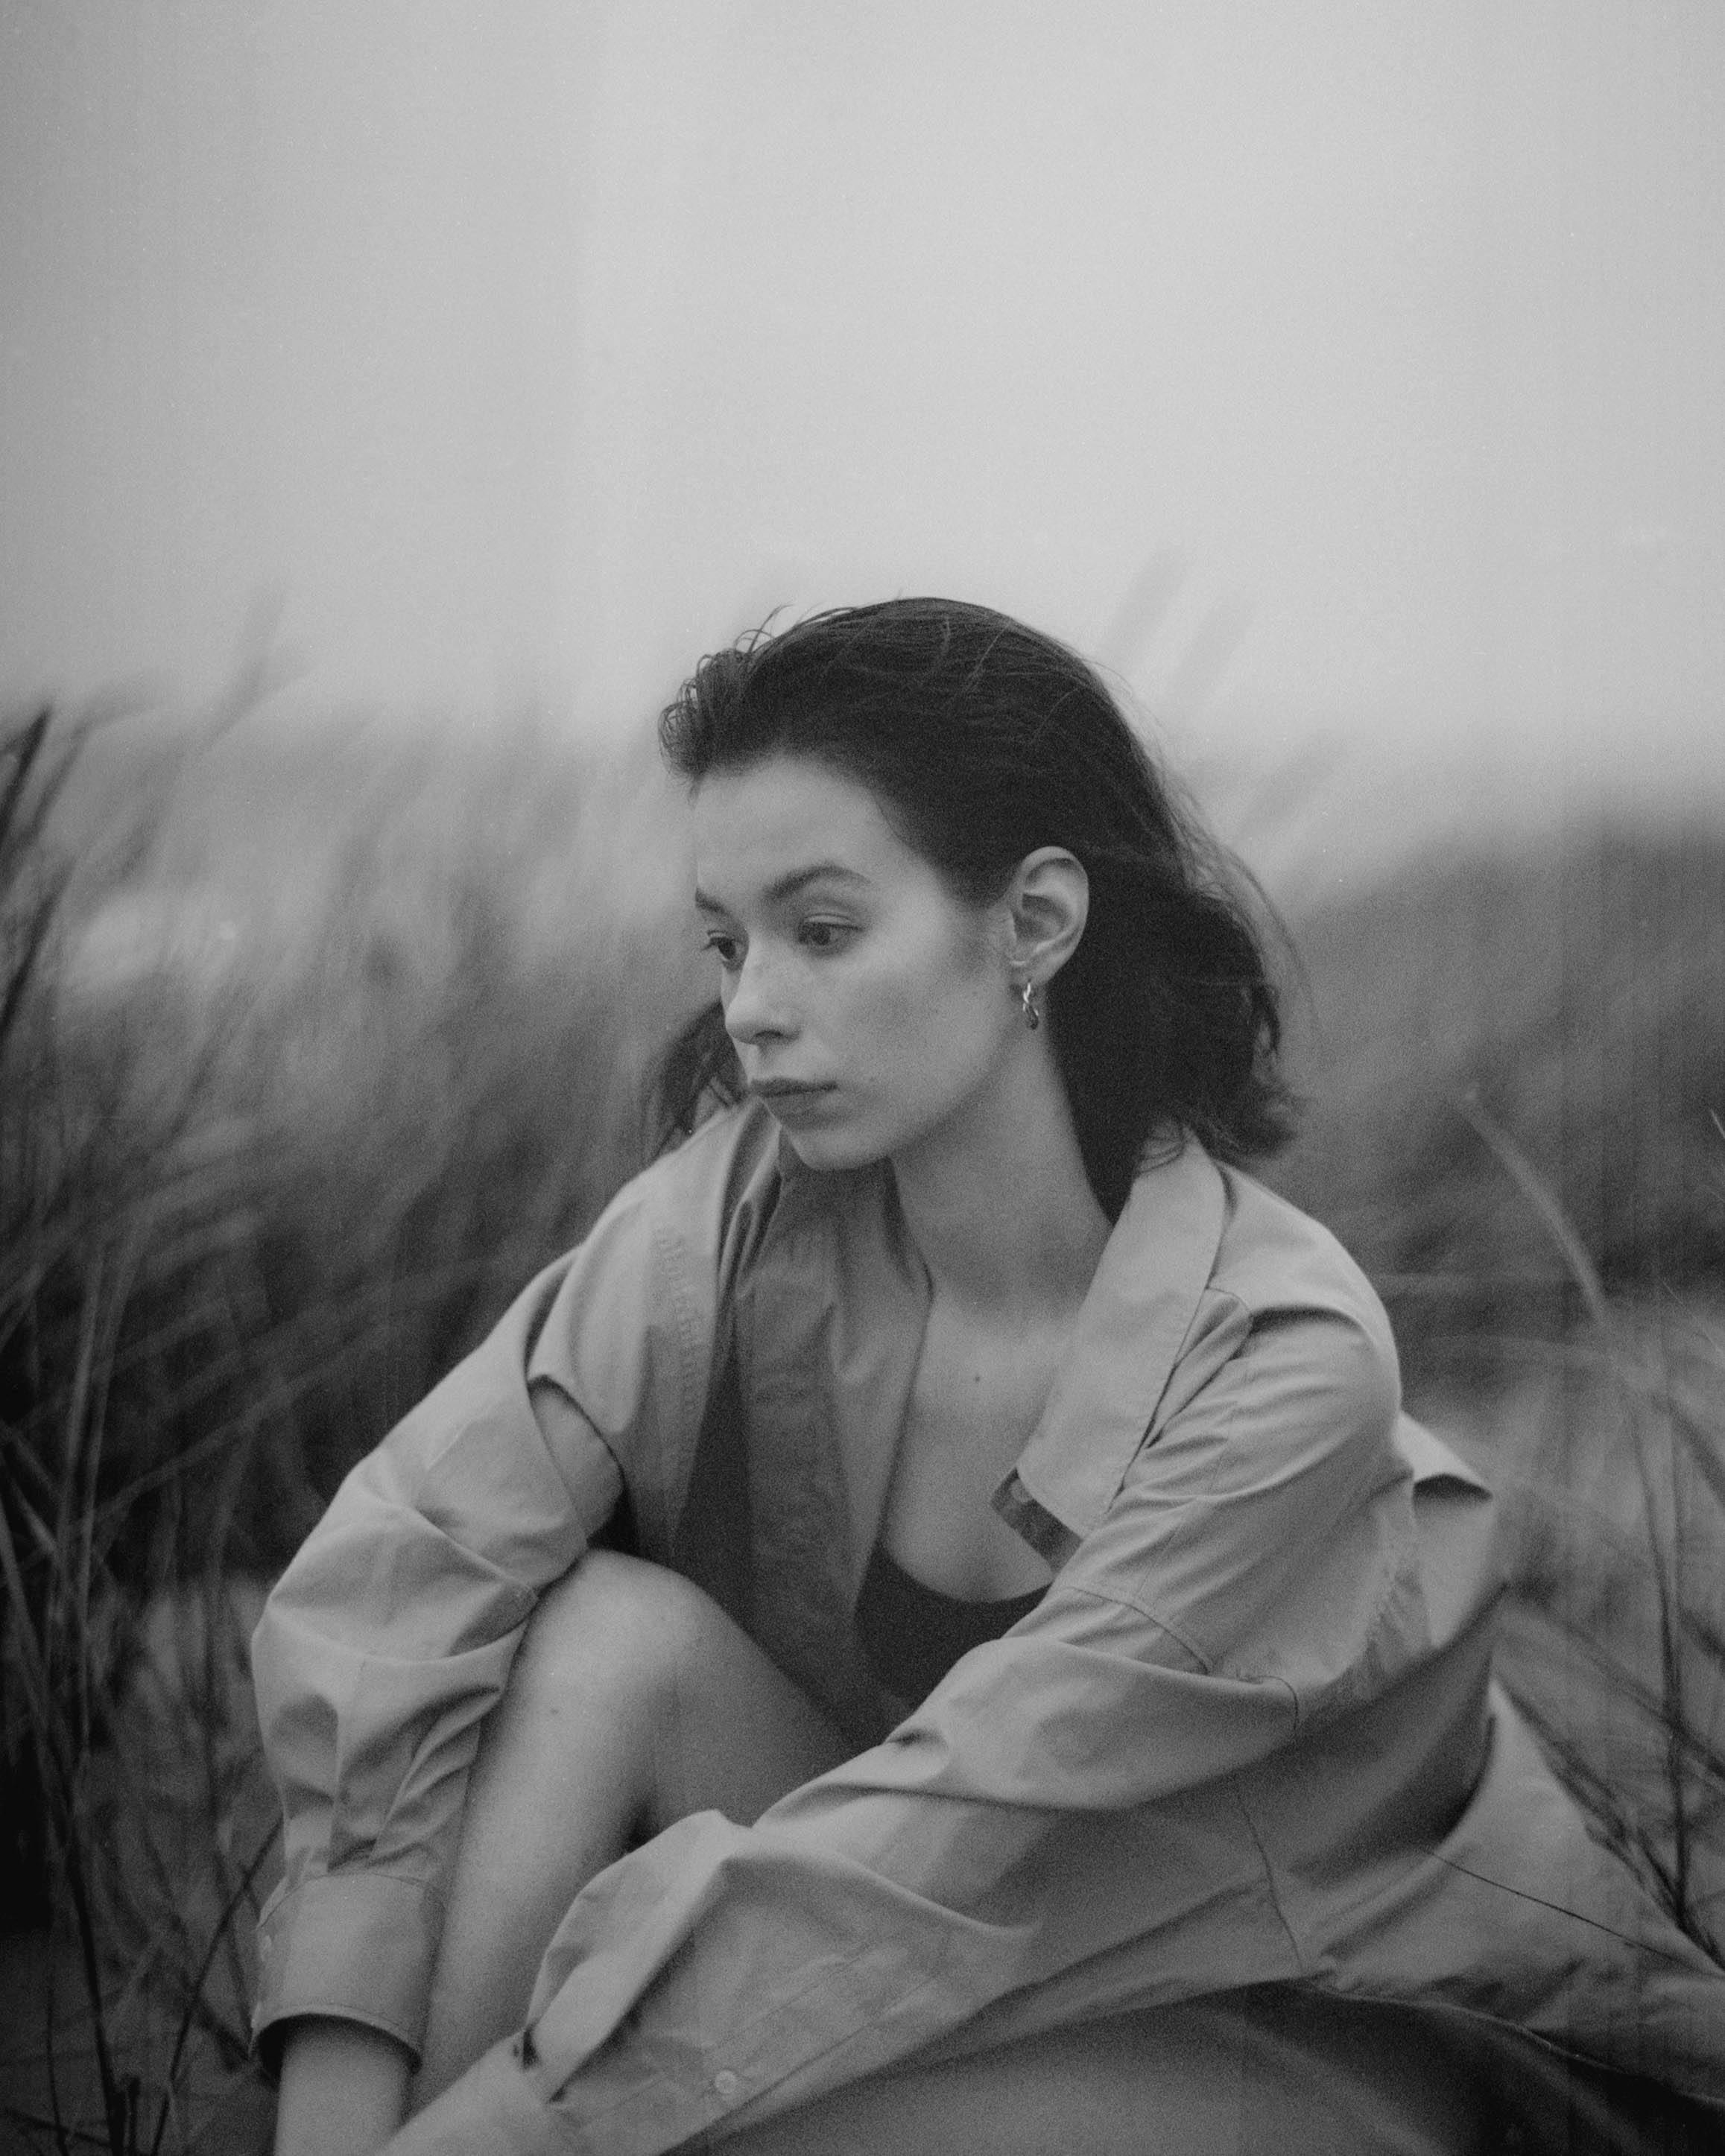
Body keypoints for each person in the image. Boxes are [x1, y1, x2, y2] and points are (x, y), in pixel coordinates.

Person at [253, 600, 1725, 2156]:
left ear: (1034, 925)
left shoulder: (1283, 1359)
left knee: (702, 2124)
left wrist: (507, 2128)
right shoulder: (727, 1220)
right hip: (918, 1939)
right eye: (728, 939)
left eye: (821, 931)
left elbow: (966, 1834)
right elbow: (399, 1583)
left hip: (1274, 2010)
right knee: (609, 1639)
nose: (750, 1003)